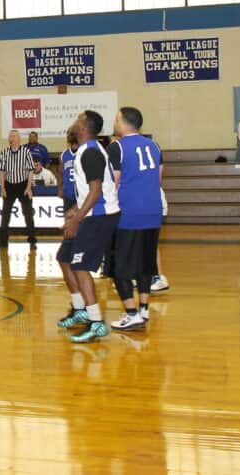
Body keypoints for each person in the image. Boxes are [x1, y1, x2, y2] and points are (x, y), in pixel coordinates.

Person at [57, 110, 120, 343]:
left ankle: (96, 323)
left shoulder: (91, 153)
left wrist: (77, 218)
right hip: (89, 212)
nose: (73, 123)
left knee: (80, 266)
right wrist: (73, 211)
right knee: (64, 257)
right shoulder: (84, 150)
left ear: (83, 128)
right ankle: (80, 308)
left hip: (99, 215)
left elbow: (96, 192)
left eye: (78, 119)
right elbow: (88, 192)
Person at [107, 107, 163, 331]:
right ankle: (143, 309)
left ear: (123, 122)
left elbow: (114, 182)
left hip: (128, 214)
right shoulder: (154, 145)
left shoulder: (117, 147)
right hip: (153, 211)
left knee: (119, 267)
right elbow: (158, 178)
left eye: (116, 118)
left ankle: (131, 313)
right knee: (145, 264)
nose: (114, 121)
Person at [55, 127, 83, 325]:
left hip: (82, 205)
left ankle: (84, 308)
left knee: (73, 259)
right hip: (70, 201)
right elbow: (61, 173)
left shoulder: (86, 153)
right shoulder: (64, 155)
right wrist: (60, 187)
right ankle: (81, 306)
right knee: (67, 257)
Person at [0, 130, 36, 250]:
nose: (11, 138)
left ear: (18, 139)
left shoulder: (25, 151)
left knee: (28, 213)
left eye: (13, 136)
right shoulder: (4, 152)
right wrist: (2, 188)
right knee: (5, 214)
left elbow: (30, 171)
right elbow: (2, 172)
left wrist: (28, 188)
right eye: (10, 136)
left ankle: (32, 240)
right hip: (9, 185)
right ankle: (3, 241)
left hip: (23, 184)